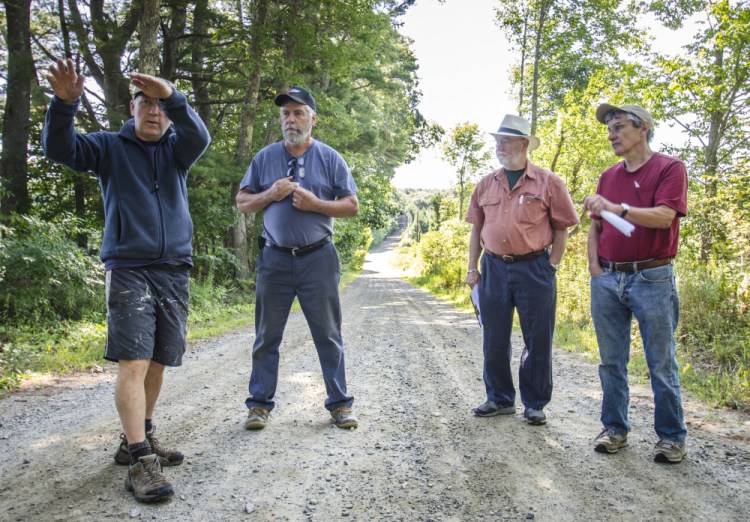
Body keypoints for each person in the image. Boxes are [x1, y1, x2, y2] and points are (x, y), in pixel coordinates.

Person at [42, 58, 211, 501]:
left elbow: (200, 135)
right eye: (145, 103)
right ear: (131, 108)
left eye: (160, 105)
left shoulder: (178, 147)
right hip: (129, 267)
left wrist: (173, 93)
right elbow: (60, 150)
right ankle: (140, 460)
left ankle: (140, 434)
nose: (154, 111)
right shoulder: (107, 147)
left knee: (158, 359)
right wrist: (64, 105)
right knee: (134, 361)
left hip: (174, 267)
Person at [236, 86, 359, 431]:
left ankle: (340, 405)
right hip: (274, 259)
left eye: (298, 112)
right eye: (285, 114)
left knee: (328, 335)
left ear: (312, 119)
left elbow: (352, 206)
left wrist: (315, 204)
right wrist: (270, 193)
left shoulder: (330, 158)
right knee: (266, 336)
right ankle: (259, 406)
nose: (291, 119)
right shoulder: (264, 158)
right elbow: (243, 202)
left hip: (318, 258)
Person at [583, 103, 688, 463]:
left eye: (618, 127)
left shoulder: (669, 168)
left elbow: (664, 217)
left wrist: (619, 208)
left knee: (660, 363)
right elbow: (596, 226)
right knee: (611, 361)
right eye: (609, 129)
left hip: (653, 277)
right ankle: (614, 429)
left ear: (643, 128)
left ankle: (671, 438)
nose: (612, 135)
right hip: (608, 277)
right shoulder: (608, 175)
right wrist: (595, 269)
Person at [465, 114, 579, 426]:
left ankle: (535, 404)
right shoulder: (486, 184)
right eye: (497, 140)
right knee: (494, 338)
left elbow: (563, 228)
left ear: (524, 144)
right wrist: (472, 268)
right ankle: (500, 399)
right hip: (493, 268)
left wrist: (551, 265)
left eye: (506, 140)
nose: (499, 146)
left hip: (534, 268)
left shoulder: (549, 183)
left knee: (537, 337)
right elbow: (476, 229)